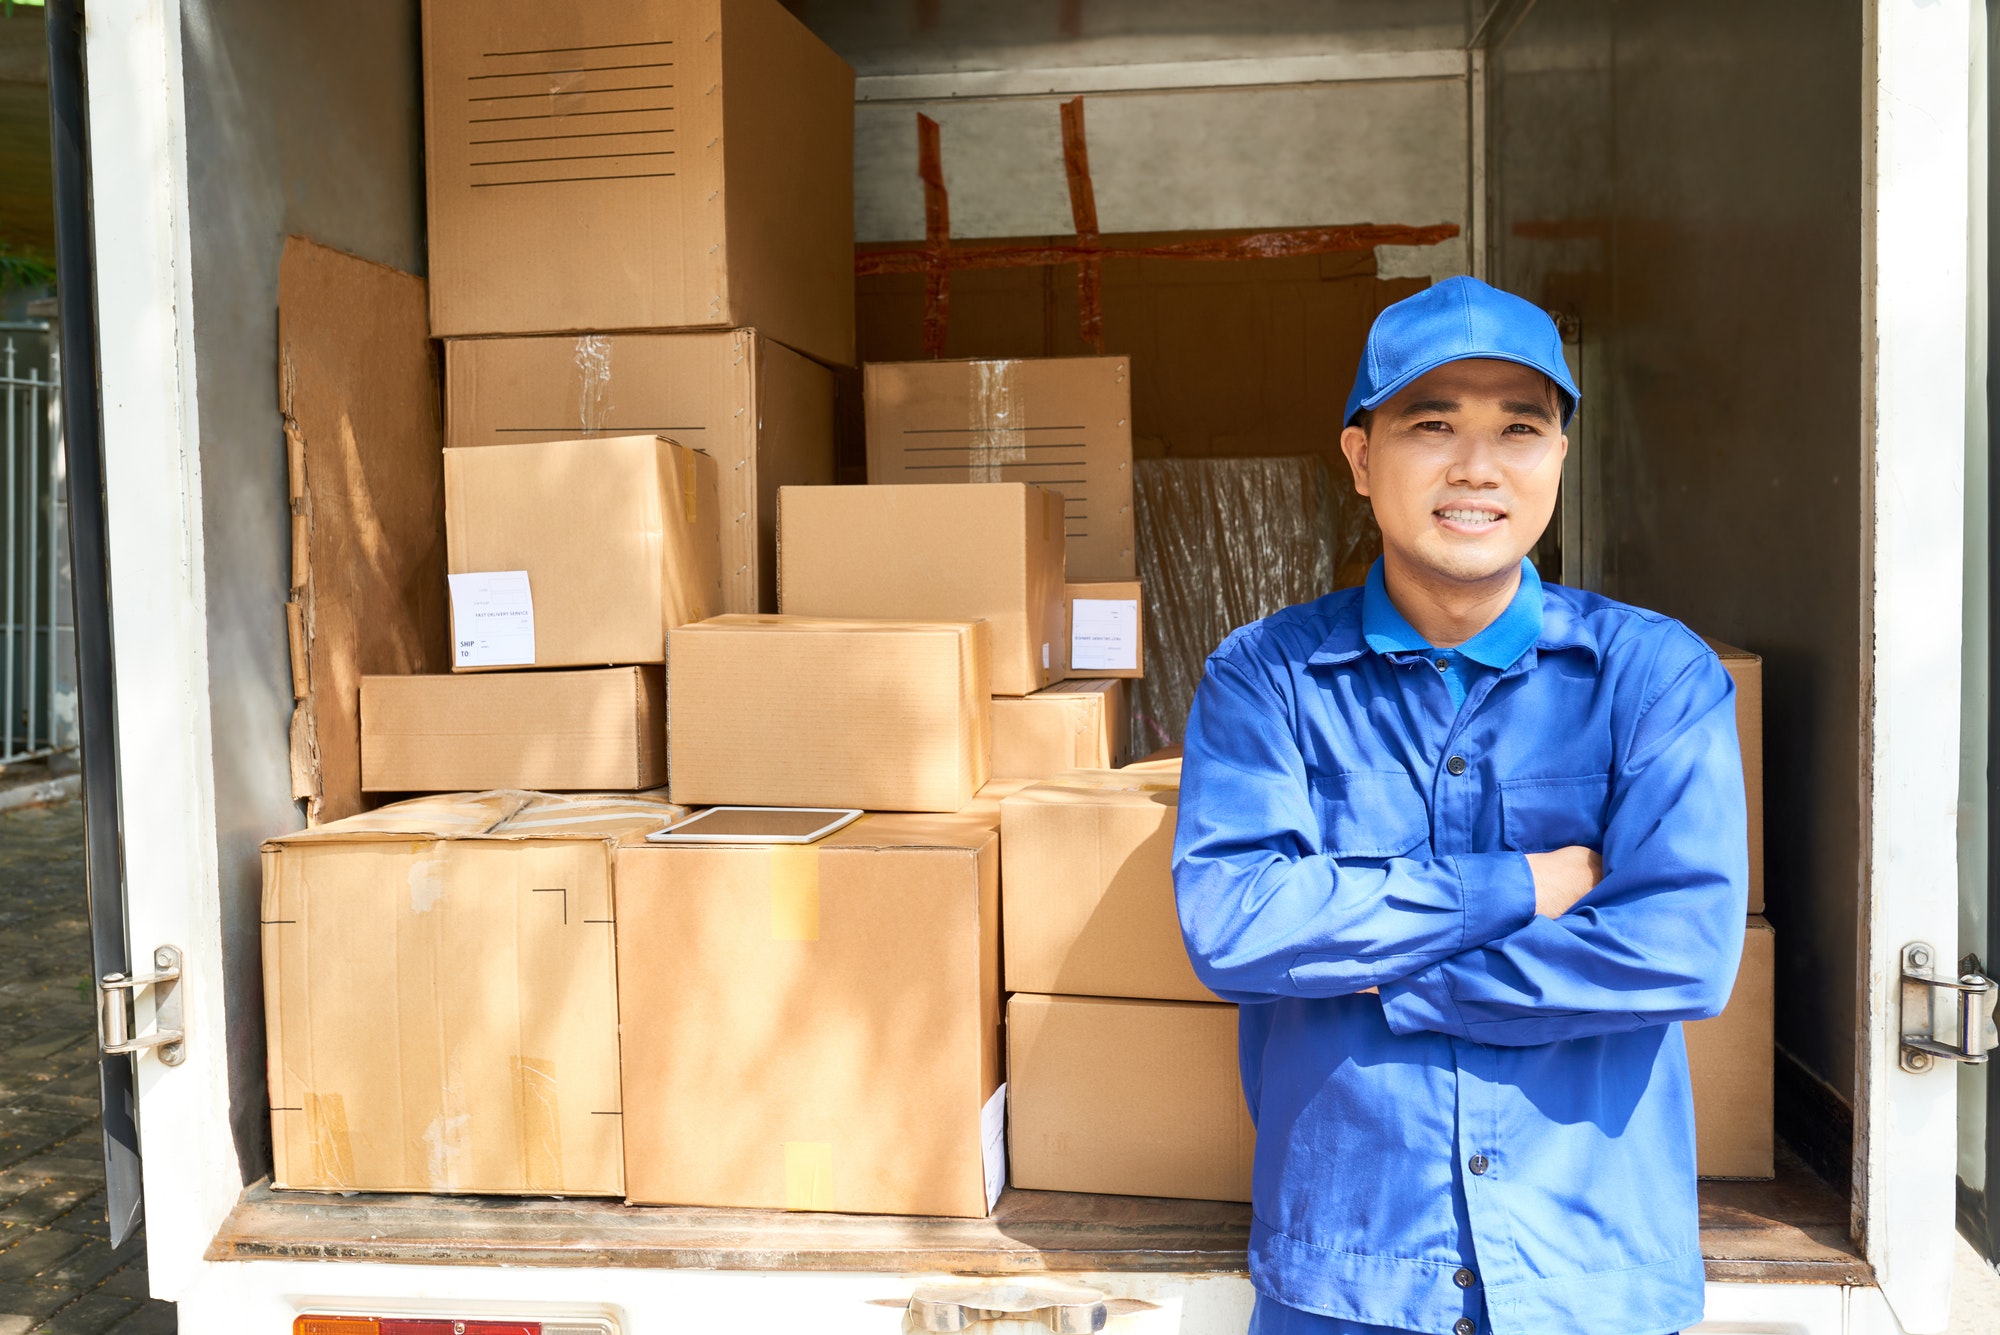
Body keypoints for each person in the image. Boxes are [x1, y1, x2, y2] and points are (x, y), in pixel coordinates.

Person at [1172, 276, 1749, 1335]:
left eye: (1517, 429)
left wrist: (1388, 975)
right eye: (1430, 424)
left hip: (1587, 1274)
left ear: (1557, 460)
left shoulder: (1651, 677)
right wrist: (1517, 884)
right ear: (1358, 456)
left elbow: (1680, 948)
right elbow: (1233, 926)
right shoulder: (1267, 680)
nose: (1475, 467)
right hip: (1346, 1271)